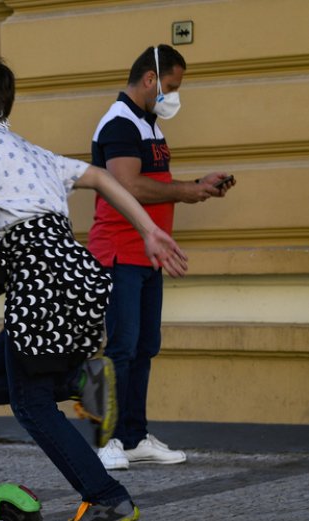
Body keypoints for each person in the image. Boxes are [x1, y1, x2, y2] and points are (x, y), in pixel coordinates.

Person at [0, 54, 188, 521]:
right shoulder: (29, 149)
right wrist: (148, 229)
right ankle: (85, 382)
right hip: (76, 273)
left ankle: (108, 497)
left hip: (40, 281)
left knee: (30, 405)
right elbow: (103, 177)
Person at [88, 45, 235, 471]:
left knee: (144, 346)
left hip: (148, 253)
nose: (174, 97)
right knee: (118, 348)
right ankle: (104, 441)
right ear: (150, 79)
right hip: (117, 253)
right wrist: (187, 191)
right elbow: (127, 186)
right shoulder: (118, 123)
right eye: (171, 87)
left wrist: (197, 184)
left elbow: (154, 182)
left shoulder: (147, 125)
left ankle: (133, 437)